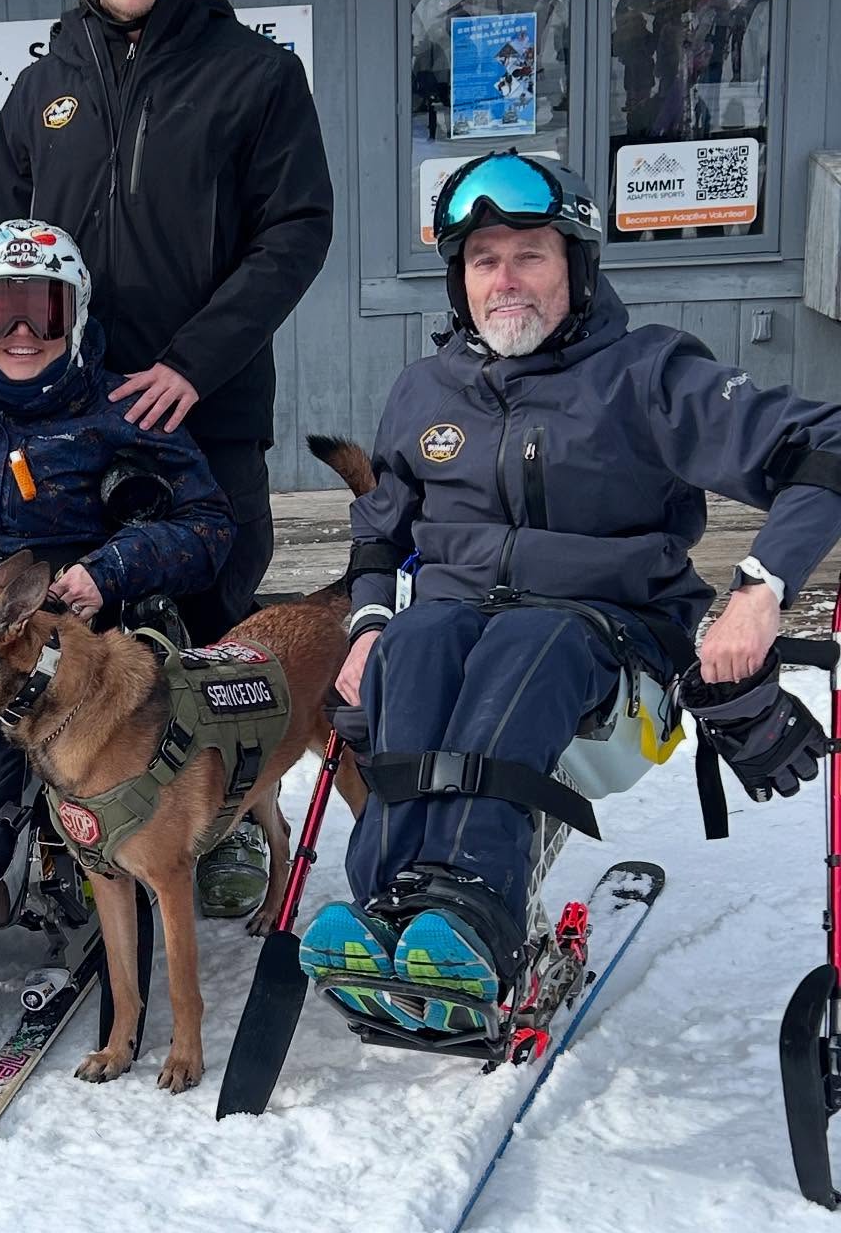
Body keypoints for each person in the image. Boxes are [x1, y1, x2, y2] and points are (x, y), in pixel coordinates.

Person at [299, 148, 841, 1026]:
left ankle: (474, 908)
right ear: (459, 283)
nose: (504, 280)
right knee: (419, 640)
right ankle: (389, 909)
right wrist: (367, 625)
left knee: (526, 640)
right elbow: (380, 531)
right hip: (457, 625)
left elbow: (823, 444)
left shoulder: (648, 374)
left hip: (610, 651)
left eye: (530, 256)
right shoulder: (423, 393)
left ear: (576, 267)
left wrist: (760, 587)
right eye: (484, 262)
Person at [0, 0, 333, 915]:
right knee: (79, 636)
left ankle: (219, 823)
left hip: (205, 410)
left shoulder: (256, 78)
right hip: (75, 422)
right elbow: (5, 253)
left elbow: (296, 232)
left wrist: (194, 360)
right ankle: (75, 829)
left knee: (212, 635)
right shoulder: (40, 88)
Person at [0, 218, 234, 909]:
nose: (22, 332)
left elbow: (209, 524)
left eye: (44, 308)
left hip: (69, 599)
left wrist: (113, 567)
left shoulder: (122, 404)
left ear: (78, 311)